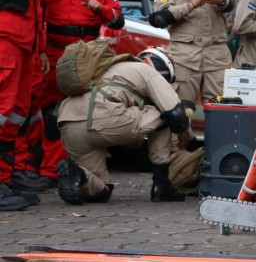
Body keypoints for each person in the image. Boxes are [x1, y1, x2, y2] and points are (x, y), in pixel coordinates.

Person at [39, 0, 124, 191]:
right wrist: (40, 50)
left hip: (84, 57)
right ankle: (48, 171)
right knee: (50, 114)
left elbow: (118, 19)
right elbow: (36, 17)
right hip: (52, 53)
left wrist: (101, 9)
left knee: (77, 114)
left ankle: (79, 168)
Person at [56, 47, 194, 205]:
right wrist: (186, 136)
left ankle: (78, 175)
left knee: (102, 190)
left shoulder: (105, 69)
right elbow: (176, 114)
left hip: (68, 123)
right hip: (104, 119)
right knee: (164, 114)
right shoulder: (147, 71)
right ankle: (161, 185)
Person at [0, 0, 69, 211]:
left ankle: (6, 179)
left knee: (14, 114)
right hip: (7, 38)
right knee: (4, 111)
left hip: (20, 39)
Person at [11, 0, 52, 192]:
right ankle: (14, 171)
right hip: (14, 48)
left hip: (30, 52)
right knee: (12, 112)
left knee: (26, 113)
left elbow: (38, 21)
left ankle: (20, 170)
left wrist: (40, 52)